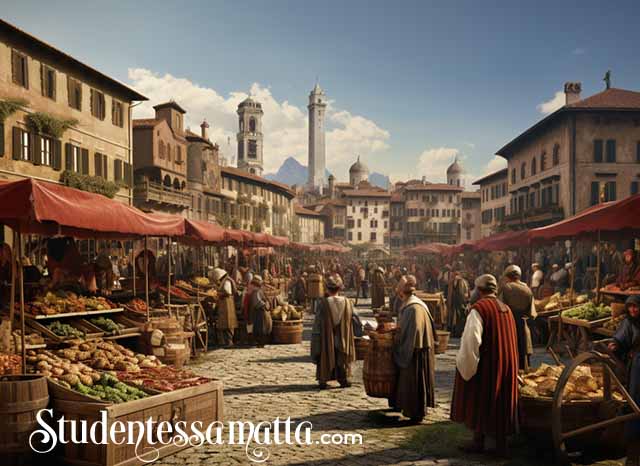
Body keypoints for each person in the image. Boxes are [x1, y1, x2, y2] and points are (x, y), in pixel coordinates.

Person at [451, 274, 519, 457]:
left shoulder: (478, 309)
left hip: (488, 364)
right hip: (505, 363)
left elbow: (471, 341)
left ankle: (481, 441)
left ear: (479, 290)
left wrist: (466, 366)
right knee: (500, 399)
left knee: (481, 397)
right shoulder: (506, 309)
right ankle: (496, 442)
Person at [389, 275, 436, 423]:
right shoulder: (418, 304)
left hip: (414, 350)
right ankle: (412, 409)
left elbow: (408, 334)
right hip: (420, 348)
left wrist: (396, 343)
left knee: (414, 383)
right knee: (415, 382)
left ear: (402, 293)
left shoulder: (412, 308)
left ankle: (416, 412)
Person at [608, 295, 640, 466]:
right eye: (631, 307)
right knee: (635, 398)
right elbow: (620, 339)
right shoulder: (628, 323)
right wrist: (615, 344)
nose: (633, 310)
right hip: (638, 365)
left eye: (636, 307)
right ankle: (634, 435)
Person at [310, 274, 356, 389]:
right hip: (343, 336)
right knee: (341, 355)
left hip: (326, 337)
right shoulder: (347, 302)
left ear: (327, 288)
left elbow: (317, 324)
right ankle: (343, 378)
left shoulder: (323, 304)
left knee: (325, 354)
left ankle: (323, 379)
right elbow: (355, 319)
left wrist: (315, 339)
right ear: (340, 288)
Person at [498, 265, 535, 370]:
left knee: (509, 349)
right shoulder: (527, 289)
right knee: (522, 349)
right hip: (523, 324)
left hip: (508, 323)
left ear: (508, 276)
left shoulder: (506, 288)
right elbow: (532, 312)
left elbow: (500, 306)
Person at [213, 267, 238, 347]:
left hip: (227, 303)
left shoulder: (227, 281)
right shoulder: (225, 281)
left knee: (229, 323)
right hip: (224, 304)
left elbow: (227, 292)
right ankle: (226, 341)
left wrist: (218, 294)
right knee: (225, 322)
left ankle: (229, 341)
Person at [247, 276, 272, 347]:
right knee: (259, 327)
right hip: (258, 310)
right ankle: (260, 342)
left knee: (260, 327)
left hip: (259, 310)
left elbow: (257, 301)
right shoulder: (257, 291)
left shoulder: (256, 291)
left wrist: (264, 305)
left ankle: (261, 342)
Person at [449, 270, 470, 338]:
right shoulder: (463, 282)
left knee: (459, 318)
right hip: (458, 303)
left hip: (460, 303)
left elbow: (463, 293)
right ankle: (456, 332)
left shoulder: (461, 282)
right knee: (456, 318)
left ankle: (458, 333)